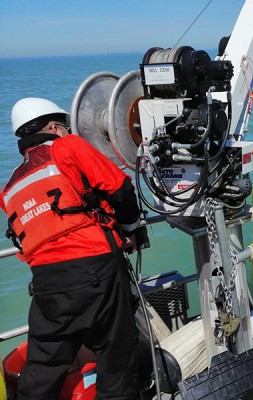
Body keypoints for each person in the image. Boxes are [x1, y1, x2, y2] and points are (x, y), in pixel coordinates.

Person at [1, 97, 145, 399]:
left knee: (43, 366)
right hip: (96, 269)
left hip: (46, 284)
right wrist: (130, 228)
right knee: (117, 355)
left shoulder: (10, 186)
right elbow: (120, 188)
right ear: (54, 127)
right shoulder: (66, 146)